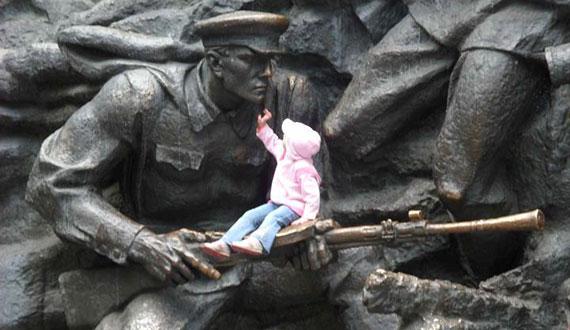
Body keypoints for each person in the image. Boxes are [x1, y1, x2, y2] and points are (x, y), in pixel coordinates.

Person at [202, 109, 321, 258]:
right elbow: (273, 142)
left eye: (286, 138)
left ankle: (259, 242)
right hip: (277, 203)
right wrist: (263, 127)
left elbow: (312, 195)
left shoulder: (304, 169)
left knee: (274, 218)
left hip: (294, 209)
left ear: (292, 146)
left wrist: (308, 217)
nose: (283, 139)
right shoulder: (285, 155)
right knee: (250, 215)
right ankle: (225, 244)